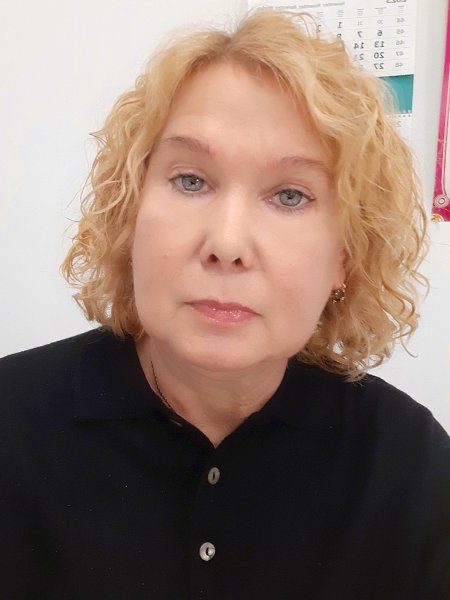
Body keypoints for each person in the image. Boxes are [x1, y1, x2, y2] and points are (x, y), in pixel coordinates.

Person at [1, 9, 449, 599]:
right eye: (191, 180)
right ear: (130, 214)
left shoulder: (410, 466)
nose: (228, 244)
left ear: (346, 254)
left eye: (290, 196)